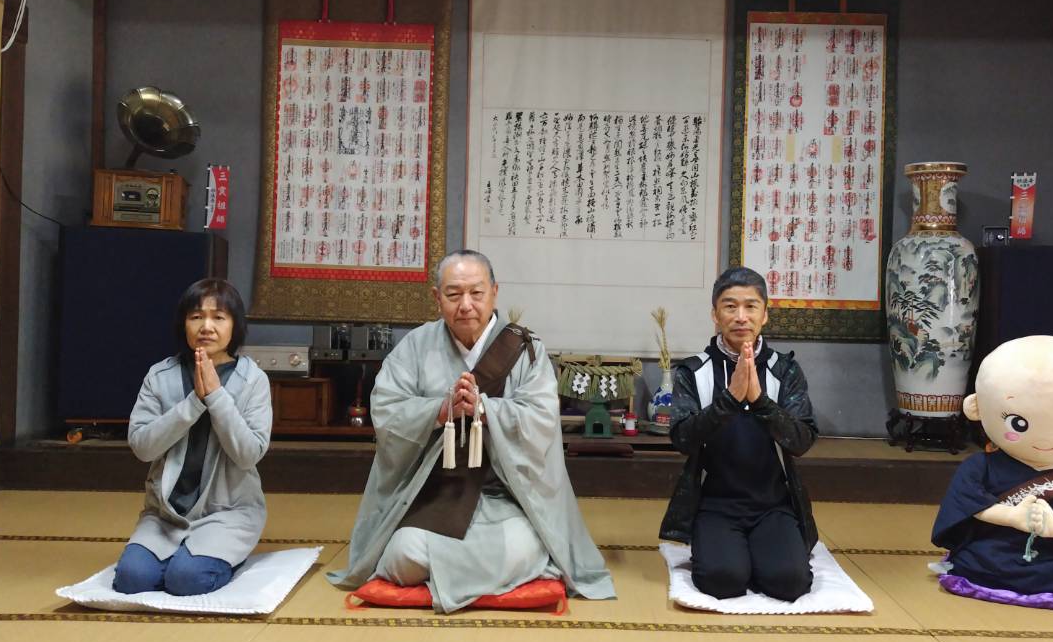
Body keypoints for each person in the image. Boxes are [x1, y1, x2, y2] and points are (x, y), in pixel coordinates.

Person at [329, 250, 615, 613]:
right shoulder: (414, 347)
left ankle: (446, 577)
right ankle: (490, 577)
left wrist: (485, 409)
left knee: (525, 545)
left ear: (494, 292)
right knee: (404, 554)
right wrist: (440, 411)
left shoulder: (526, 350)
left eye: (476, 293)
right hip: (434, 495)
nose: (466, 305)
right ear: (437, 297)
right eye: (453, 294)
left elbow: (541, 419)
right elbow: (387, 410)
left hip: (504, 497)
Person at [660, 266, 819, 601]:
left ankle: (762, 551)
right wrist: (730, 399)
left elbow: (802, 440)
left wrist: (760, 401)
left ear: (765, 315)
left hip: (773, 504)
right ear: (715, 315)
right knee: (723, 580)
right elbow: (682, 439)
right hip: (715, 504)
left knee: (789, 582)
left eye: (751, 306)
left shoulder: (785, 370)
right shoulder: (694, 371)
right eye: (730, 306)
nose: (741, 316)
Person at [931, 335, 1053, 600]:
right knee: (972, 559)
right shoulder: (980, 466)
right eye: (1018, 423)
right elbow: (965, 503)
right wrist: (1010, 516)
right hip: (994, 553)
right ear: (977, 407)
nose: (1044, 439)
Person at [112, 278, 272, 595]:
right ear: (183, 323)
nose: (206, 327)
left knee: (186, 580)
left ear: (235, 326)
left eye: (219, 317)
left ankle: (212, 557)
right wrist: (194, 403)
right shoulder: (160, 375)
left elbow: (249, 454)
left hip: (228, 513)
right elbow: (142, 447)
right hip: (165, 516)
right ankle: (183, 556)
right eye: (196, 316)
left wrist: (215, 396)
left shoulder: (252, 380)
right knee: (131, 580)